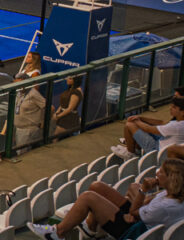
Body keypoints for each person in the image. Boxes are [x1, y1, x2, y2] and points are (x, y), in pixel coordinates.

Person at [28, 157, 184, 239]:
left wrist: (143, 190)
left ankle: (57, 232)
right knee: (97, 186)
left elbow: (134, 211)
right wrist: (142, 202)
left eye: (161, 172)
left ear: (171, 179)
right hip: (140, 219)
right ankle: (90, 227)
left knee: (88, 197)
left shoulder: (165, 207)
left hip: (132, 230)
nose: (157, 173)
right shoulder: (174, 194)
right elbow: (148, 202)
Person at [118, 98, 184, 160]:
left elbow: (148, 129)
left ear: (182, 112)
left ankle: (130, 154)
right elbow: (161, 123)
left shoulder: (176, 126)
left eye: (174, 107)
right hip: (164, 143)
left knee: (129, 125)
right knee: (141, 124)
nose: (170, 108)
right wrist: (141, 118)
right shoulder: (179, 122)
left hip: (157, 150)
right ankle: (136, 148)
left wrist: (136, 120)